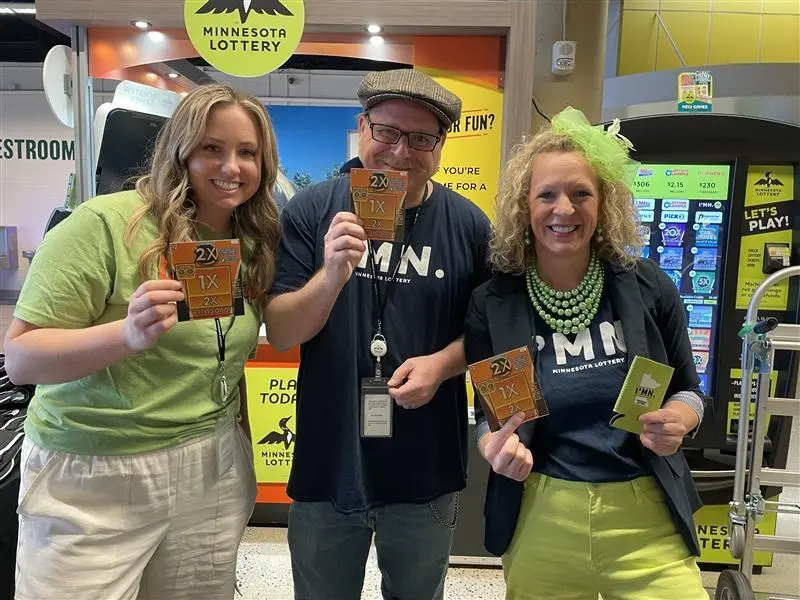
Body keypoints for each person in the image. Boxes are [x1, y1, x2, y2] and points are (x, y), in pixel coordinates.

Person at [4, 83, 281, 600]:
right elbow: (21, 357)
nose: (232, 166)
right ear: (180, 150)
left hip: (210, 464)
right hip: (95, 470)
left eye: (248, 153)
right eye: (212, 148)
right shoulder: (103, 225)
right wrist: (125, 334)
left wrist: (238, 453)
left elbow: (225, 361)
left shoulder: (251, 241)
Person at [264, 68, 492, 600]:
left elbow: (487, 334)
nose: (399, 152)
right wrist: (331, 275)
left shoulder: (470, 226)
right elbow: (280, 330)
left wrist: (442, 365)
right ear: (362, 127)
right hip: (328, 463)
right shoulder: (313, 210)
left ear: (440, 146)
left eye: (420, 139)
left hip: (424, 469)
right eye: (387, 132)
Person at [463, 107, 708, 600]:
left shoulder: (646, 287)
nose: (564, 210)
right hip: (541, 516)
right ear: (523, 206)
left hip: (647, 516)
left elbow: (689, 390)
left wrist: (679, 420)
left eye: (581, 194)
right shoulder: (495, 302)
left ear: (604, 204)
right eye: (547, 195)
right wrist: (492, 447)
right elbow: (494, 418)